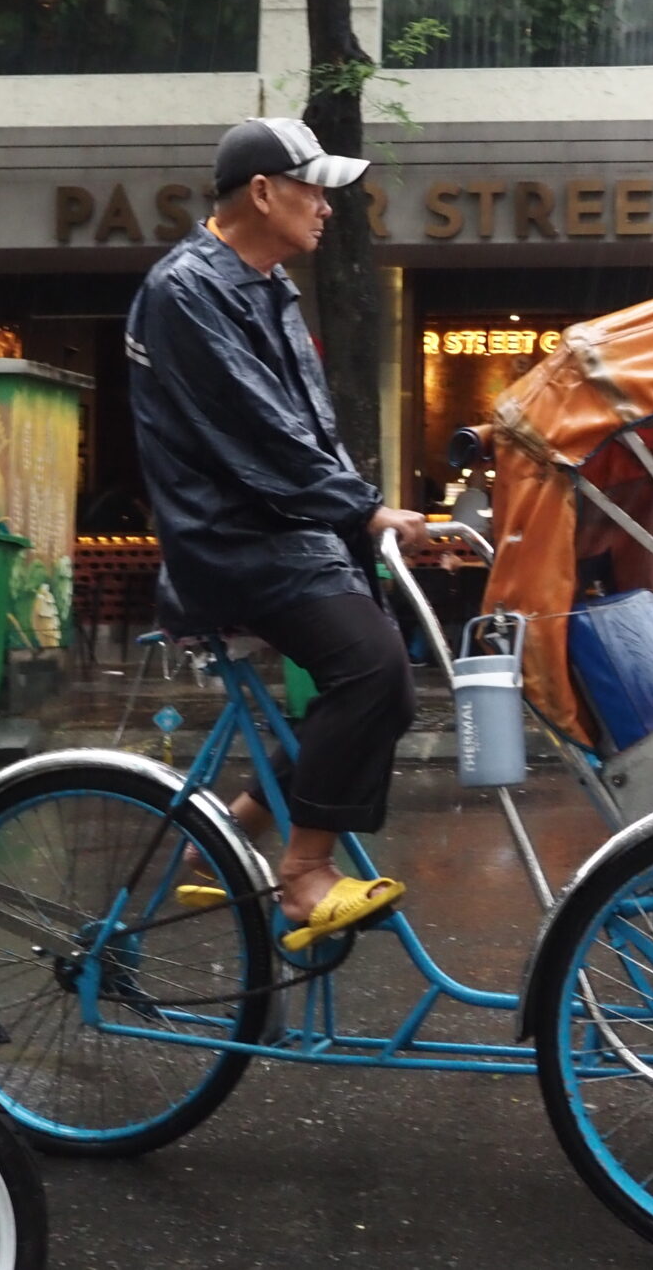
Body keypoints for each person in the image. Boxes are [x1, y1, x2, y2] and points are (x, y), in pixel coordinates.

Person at [126, 116, 433, 946]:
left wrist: (353, 515)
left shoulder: (265, 284)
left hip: (286, 530)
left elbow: (306, 432)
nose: (329, 206)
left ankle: (227, 834)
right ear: (263, 192)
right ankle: (302, 875)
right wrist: (361, 507)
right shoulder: (185, 289)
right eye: (315, 187)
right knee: (369, 668)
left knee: (384, 681)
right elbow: (259, 430)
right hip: (230, 539)